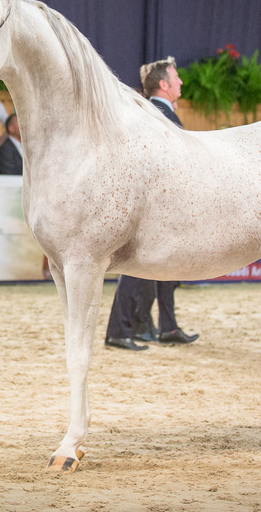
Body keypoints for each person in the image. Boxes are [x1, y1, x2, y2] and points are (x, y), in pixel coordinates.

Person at [105, 57, 198, 350]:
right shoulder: (156, 114)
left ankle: (162, 326)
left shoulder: (156, 112)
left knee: (165, 272)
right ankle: (121, 329)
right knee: (137, 271)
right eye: (176, 77)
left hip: (162, 208)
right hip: (153, 209)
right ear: (163, 84)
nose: (181, 81)